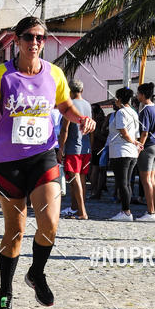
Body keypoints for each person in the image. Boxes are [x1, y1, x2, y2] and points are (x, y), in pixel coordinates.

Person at [0, 15, 95, 309]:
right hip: (8, 161)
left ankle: (37, 273)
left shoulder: (54, 74)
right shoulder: (3, 74)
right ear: (17, 40)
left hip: (44, 156)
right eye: (29, 37)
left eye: (40, 37)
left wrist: (81, 119)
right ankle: (5, 291)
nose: (35, 43)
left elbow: (64, 107)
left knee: (50, 223)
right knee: (15, 231)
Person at [58, 79, 92, 220]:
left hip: (73, 147)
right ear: (82, 90)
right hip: (86, 146)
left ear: (69, 91)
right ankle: (75, 208)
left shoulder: (70, 106)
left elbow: (65, 130)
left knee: (74, 178)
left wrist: (61, 149)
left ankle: (82, 211)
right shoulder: (88, 105)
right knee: (81, 179)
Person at [108, 87, 142, 221]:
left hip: (121, 151)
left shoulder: (121, 112)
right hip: (131, 152)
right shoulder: (134, 113)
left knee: (122, 183)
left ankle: (126, 212)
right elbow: (136, 133)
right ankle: (126, 210)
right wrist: (136, 143)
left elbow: (123, 132)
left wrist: (133, 142)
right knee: (127, 183)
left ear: (120, 99)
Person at [136, 82, 155, 221]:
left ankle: (150, 212)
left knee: (146, 180)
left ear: (142, 94)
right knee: (152, 180)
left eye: (138, 93)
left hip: (149, 146)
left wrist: (139, 147)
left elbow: (144, 132)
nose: (136, 95)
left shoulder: (145, 110)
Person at [89, 104, 109, 200]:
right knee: (100, 170)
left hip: (96, 147)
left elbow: (95, 134)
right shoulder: (102, 120)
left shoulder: (94, 121)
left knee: (95, 169)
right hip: (101, 147)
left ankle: (95, 190)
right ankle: (97, 190)